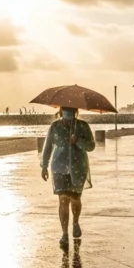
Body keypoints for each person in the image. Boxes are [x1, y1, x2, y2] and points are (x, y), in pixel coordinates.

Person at [40, 106, 95, 248]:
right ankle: (64, 233)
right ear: (60, 111)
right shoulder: (55, 126)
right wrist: (44, 166)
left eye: (71, 110)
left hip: (78, 168)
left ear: (75, 111)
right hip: (59, 167)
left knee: (75, 198)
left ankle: (75, 222)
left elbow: (91, 146)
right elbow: (48, 147)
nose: (68, 113)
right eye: (65, 110)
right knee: (63, 200)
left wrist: (78, 141)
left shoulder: (82, 126)